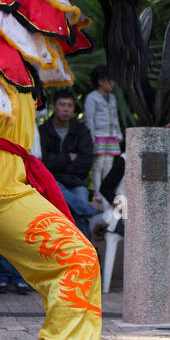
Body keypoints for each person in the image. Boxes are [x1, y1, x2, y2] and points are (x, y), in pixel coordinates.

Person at [38, 90, 97, 237]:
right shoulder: (43, 131)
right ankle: (93, 213)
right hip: (53, 181)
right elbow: (44, 161)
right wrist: (69, 157)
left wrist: (59, 162)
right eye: (62, 104)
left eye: (69, 105)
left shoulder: (82, 131)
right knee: (67, 200)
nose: (66, 109)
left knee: (77, 209)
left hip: (76, 181)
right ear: (54, 107)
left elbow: (86, 161)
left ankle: (86, 253)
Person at [83, 66, 121, 197]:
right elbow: (89, 119)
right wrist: (91, 137)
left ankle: (106, 191)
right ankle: (97, 192)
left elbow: (115, 117)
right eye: (110, 80)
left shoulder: (113, 98)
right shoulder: (92, 98)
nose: (113, 83)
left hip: (111, 136)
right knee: (98, 164)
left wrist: (118, 133)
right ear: (100, 81)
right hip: (98, 136)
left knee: (109, 164)